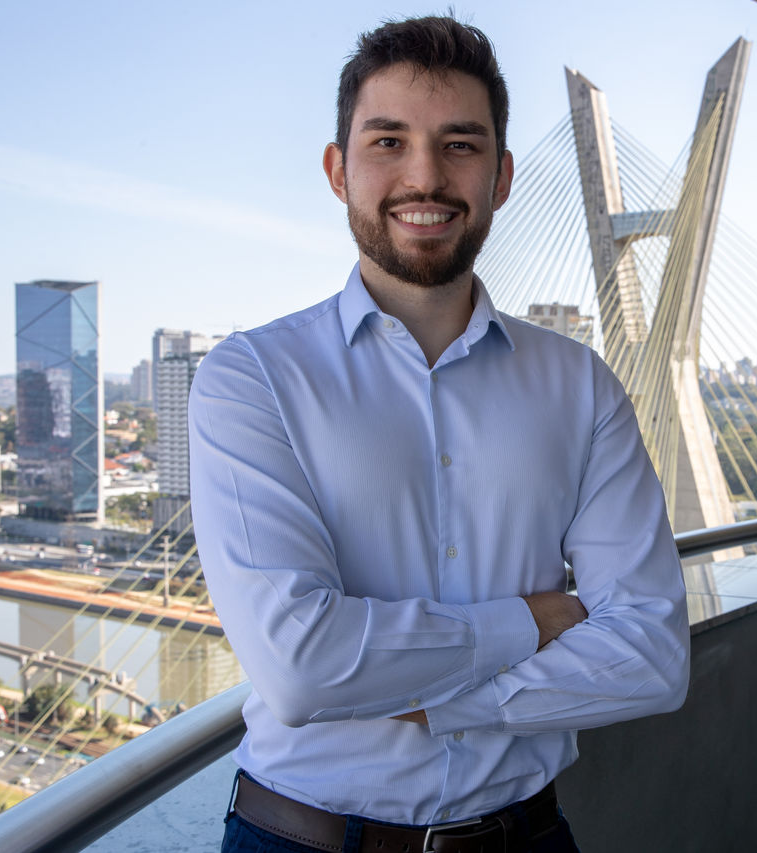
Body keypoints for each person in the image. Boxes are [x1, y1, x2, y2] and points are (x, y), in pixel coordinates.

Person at [188, 15, 690, 853]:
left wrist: (440, 698)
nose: (424, 176)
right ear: (338, 170)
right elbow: (303, 667)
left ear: (501, 177)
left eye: (460, 145)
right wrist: (531, 621)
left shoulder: (581, 386)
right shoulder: (253, 378)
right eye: (388, 141)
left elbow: (651, 654)